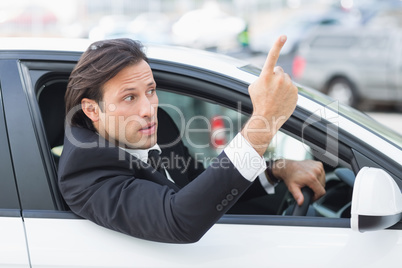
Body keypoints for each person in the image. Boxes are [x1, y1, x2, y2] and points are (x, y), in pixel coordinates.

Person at [58, 36, 325, 243]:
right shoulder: (84, 171)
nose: (148, 109)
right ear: (92, 109)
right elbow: (180, 219)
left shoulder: (156, 127)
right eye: (129, 97)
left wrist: (276, 170)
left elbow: (196, 180)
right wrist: (264, 120)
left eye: (150, 91)